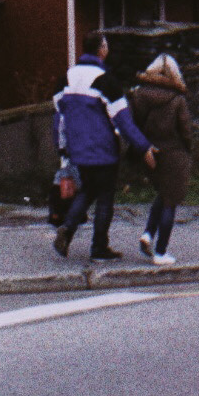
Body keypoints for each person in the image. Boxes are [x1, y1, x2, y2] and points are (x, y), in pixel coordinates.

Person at [52, 34, 155, 263]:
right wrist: (143, 146)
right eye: (106, 44)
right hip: (103, 149)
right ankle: (99, 248)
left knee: (88, 189)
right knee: (105, 197)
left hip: (77, 149)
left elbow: (59, 118)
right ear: (101, 50)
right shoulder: (107, 81)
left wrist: (61, 149)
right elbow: (123, 121)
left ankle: (67, 229)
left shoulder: (65, 78)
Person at [129, 53, 193, 266]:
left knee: (164, 193)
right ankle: (160, 252)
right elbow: (185, 130)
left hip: (150, 152)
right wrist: (189, 148)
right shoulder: (177, 99)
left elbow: (134, 124)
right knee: (170, 201)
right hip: (174, 152)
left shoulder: (139, 95)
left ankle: (148, 234)